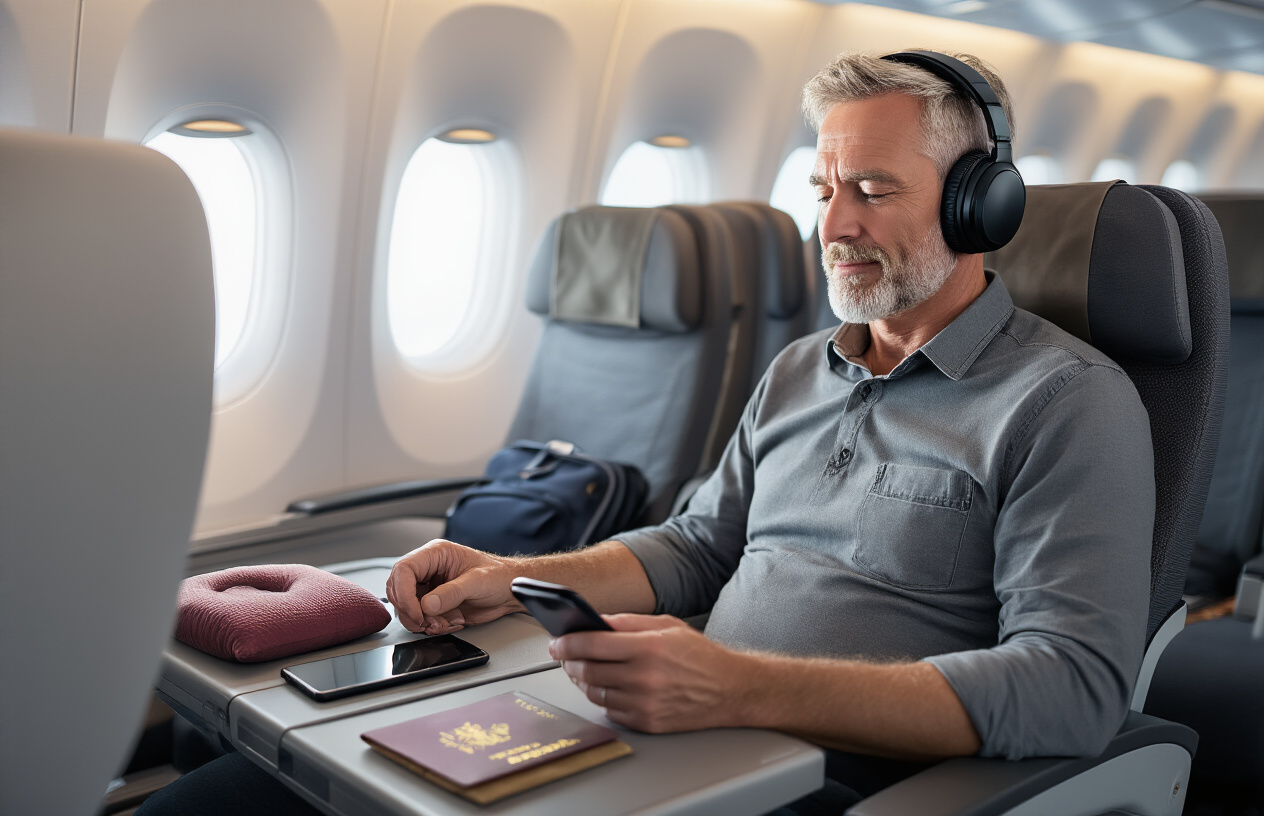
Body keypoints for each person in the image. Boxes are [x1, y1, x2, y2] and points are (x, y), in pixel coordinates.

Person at [139, 50, 1154, 815]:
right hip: (669, 737)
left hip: (821, 785)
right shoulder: (804, 366)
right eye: (823, 189)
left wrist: (738, 685)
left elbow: (1071, 689)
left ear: (980, 204)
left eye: (874, 190)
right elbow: (697, 547)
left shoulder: (1063, 403)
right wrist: (514, 575)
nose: (833, 225)